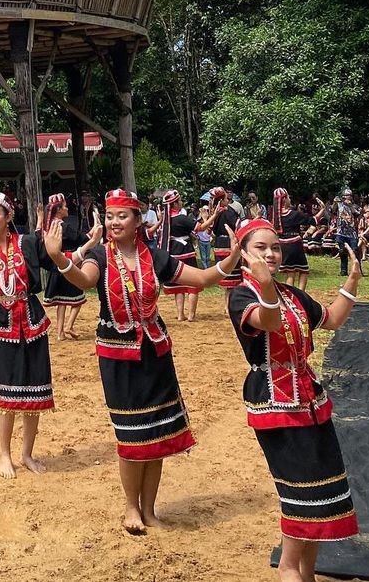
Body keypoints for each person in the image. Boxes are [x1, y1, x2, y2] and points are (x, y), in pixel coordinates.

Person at [45, 188, 240, 535]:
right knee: (131, 436)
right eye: (110, 216)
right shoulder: (101, 257)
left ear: (138, 220)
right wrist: (59, 259)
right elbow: (84, 280)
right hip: (119, 357)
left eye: (122, 216)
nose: (114, 222)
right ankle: (131, 507)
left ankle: (149, 510)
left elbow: (201, 278)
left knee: (156, 434)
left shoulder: (155, 256)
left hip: (155, 354)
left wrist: (231, 259)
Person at [227, 217, 360, 582]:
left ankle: (307, 573)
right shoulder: (242, 295)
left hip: (312, 402)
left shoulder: (291, 294)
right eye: (261, 248)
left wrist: (352, 282)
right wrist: (266, 286)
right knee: (300, 493)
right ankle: (289, 568)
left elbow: (331, 319)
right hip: (275, 405)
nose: (270, 254)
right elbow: (269, 322)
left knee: (322, 492)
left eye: (275, 247)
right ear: (243, 253)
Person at [0, 193, 54, 478]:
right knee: (9, 391)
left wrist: (86, 245)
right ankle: (4, 453)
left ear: (8, 216)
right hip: (3, 323)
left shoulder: (27, 242)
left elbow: (55, 258)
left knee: (35, 390)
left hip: (32, 319)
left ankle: (27, 454)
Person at [41, 193, 87, 339]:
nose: (67, 208)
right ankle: (69, 326)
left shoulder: (48, 225)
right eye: (65, 206)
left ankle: (60, 332)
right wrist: (92, 236)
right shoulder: (62, 226)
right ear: (59, 209)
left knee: (62, 300)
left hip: (56, 266)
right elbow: (79, 238)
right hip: (67, 263)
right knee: (79, 297)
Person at [158, 191, 206, 323]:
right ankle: (191, 315)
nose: (181, 202)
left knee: (178, 284)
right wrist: (209, 217)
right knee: (193, 283)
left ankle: (180, 315)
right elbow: (201, 227)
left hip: (173, 252)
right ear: (174, 204)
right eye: (179, 201)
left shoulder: (166, 220)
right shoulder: (181, 218)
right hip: (186, 251)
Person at [271, 188, 311, 292]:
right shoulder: (294, 214)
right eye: (288, 197)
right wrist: (322, 209)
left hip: (283, 245)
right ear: (284, 199)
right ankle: (301, 294)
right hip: (295, 244)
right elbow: (312, 220)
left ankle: (291, 294)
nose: (290, 199)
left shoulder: (275, 216)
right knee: (304, 270)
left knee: (290, 272)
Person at [333, 189, 361, 276]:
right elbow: (332, 211)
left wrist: (350, 206)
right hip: (341, 232)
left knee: (355, 251)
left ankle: (357, 270)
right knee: (342, 251)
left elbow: (357, 215)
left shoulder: (355, 206)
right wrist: (334, 203)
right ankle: (343, 271)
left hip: (352, 233)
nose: (348, 197)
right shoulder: (339, 205)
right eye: (346, 195)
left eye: (349, 195)